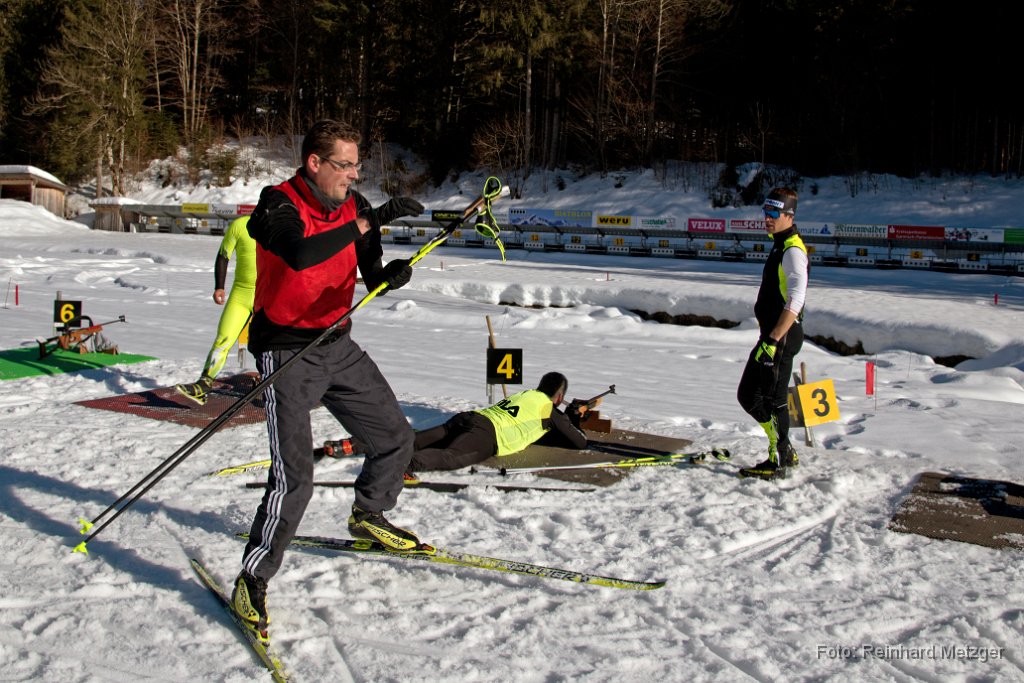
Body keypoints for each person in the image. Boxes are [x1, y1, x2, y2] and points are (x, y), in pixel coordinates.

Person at [231, 119, 425, 643]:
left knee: (395, 437)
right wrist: (366, 222)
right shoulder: (278, 203)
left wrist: (389, 276)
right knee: (296, 477)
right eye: (344, 165)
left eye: (357, 165)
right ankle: (252, 577)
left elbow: (370, 270)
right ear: (314, 163)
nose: (352, 174)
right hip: (287, 353)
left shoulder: (356, 206)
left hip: (337, 343)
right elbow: (299, 255)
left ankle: (369, 515)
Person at [736, 187, 809, 481]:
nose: (766, 219)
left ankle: (778, 459)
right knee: (751, 395)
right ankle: (783, 450)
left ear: (789, 215)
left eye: (772, 214)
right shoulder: (780, 245)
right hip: (772, 338)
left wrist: (773, 338)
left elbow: (796, 299)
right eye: (764, 212)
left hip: (780, 338)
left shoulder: (792, 249)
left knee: (771, 398)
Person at [405, 371, 592, 476]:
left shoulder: (526, 394)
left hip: (468, 418)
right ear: (559, 397)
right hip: (488, 433)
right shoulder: (549, 411)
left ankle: (386, 450)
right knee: (452, 457)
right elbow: (579, 442)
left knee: (418, 441)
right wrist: (573, 416)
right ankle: (402, 467)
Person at [176, 215, 256, 405]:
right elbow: (223, 254)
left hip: (268, 297)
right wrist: (219, 286)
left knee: (268, 346)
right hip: (241, 295)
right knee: (223, 338)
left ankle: (274, 387)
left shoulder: (280, 224)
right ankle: (203, 385)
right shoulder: (240, 225)